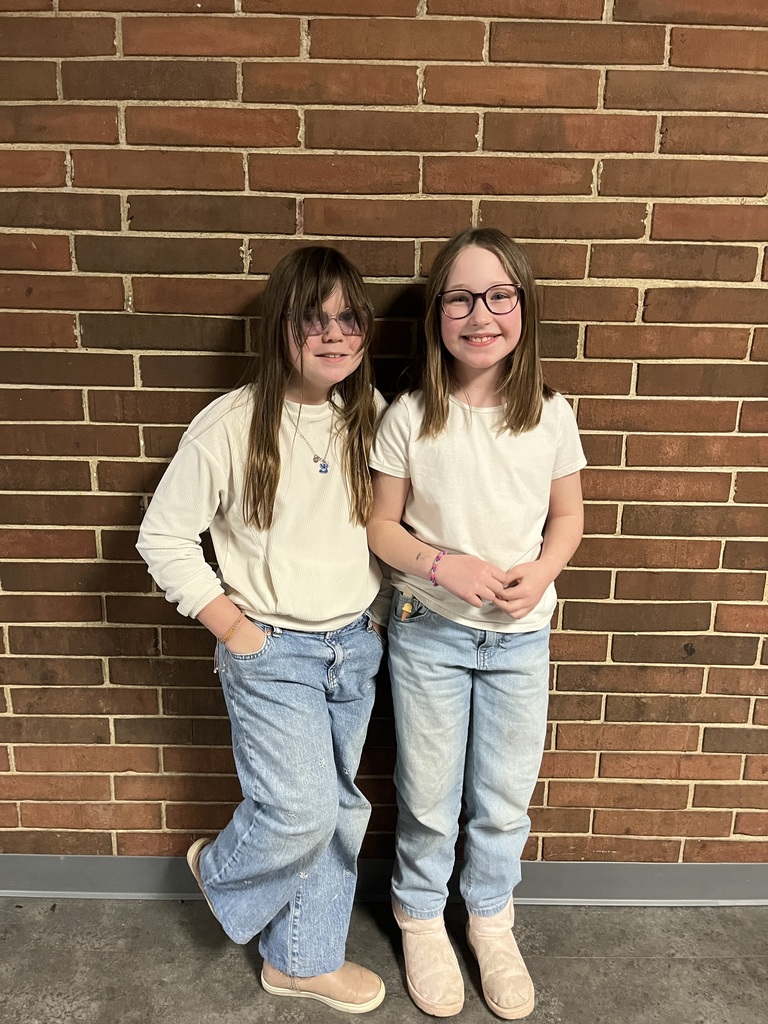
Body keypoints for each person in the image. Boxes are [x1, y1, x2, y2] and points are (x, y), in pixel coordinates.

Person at [137, 246, 389, 1014]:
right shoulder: (232, 424)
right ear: (282, 326)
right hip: (271, 648)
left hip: (354, 643)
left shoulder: (367, 416)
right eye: (315, 317)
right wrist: (233, 627)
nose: (334, 333)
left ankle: (301, 960)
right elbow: (163, 538)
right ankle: (221, 869)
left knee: (341, 811)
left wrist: (373, 615)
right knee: (301, 811)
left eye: (349, 317)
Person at [367, 227, 586, 1019]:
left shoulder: (551, 416)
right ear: (437, 314)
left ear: (523, 306)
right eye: (459, 297)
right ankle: (421, 914)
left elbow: (568, 517)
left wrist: (545, 571)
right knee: (427, 793)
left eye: (499, 296)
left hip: (522, 640)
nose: (480, 314)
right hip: (430, 631)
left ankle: (490, 916)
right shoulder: (410, 415)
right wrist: (441, 564)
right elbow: (381, 528)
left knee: (501, 796)